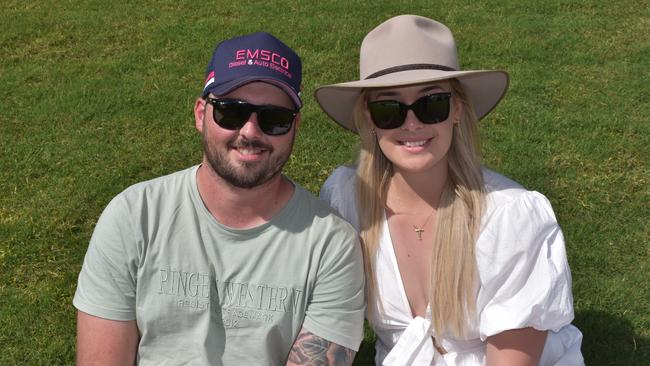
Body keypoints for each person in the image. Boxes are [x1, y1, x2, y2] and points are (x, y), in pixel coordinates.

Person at [73, 32, 365, 365]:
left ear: (295, 127)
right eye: (231, 112)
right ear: (201, 114)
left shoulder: (332, 245)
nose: (251, 132)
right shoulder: (133, 216)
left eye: (274, 119)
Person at [316, 15, 583, 365]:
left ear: (457, 108)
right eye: (388, 108)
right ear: (368, 116)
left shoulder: (510, 218)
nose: (412, 124)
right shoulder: (346, 198)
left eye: (431, 104)